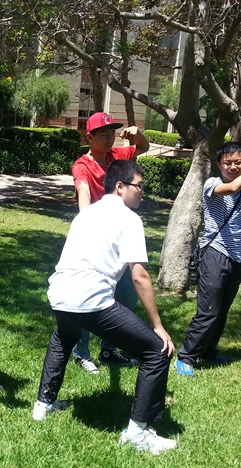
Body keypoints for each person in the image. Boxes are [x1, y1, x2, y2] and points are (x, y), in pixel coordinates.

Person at [34, 160, 177, 454]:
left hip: (59, 294)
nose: (143, 192)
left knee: (64, 337)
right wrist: (158, 327)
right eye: (139, 186)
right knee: (156, 351)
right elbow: (139, 276)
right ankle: (137, 434)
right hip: (91, 300)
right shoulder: (129, 219)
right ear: (120, 186)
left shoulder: (86, 214)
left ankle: (43, 406)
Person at [174, 142, 241, 376]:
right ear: (219, 164)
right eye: (228, 163)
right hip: (213, 253)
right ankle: (185, 357)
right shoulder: (212, 184)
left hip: (235, 257)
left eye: (238, 163)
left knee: (222, 310)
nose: (233, 167)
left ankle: (208, 351)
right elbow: (232, 188)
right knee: (209, 310)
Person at [70, 111, 150, 373]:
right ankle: (81, 351)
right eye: (103, 134)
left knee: (126, 294)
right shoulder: (83, 165)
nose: (108, 139)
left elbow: (143, 147)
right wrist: (87, 221)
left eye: (111, 134)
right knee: (88, 296)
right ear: (89, 137)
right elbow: (83, 189)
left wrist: (137, 133)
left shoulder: (118, 157)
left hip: (120, 237)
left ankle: (109, 348)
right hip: (96, 238)